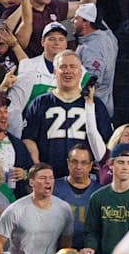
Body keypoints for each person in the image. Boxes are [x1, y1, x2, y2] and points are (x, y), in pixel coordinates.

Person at [21, 50, 110, 178]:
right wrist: (37, 166)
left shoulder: (95, 104)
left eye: (73, 67)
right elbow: (29, 138)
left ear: (80, 73)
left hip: (86, 178)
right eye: (63, 67)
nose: (68, 71)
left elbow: (107, 140)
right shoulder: (40, 102)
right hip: (50, 178)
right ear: (54, 71)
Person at [0, 163, 72, 254]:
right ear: (32, 182)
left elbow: (66, 246)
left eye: (51, 178)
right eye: (42, 178)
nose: (48, 181)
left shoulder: (64, 209)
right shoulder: (15, 210)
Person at [71, 3, 117, 116]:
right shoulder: (108, 36)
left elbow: (92, 82)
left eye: (76, 18)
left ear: (86, 23)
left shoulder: (91, 49)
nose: (72, 21)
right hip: (104, 106)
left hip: (93, 111)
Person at [52, 144, 100, 250]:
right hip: (57, 252)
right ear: (68, 163)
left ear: (90, 165)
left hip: (90, 253)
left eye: (83, 163)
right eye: (74, 161)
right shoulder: (53, 188)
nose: (78, 167)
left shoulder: (100, 192)